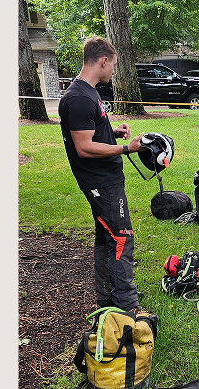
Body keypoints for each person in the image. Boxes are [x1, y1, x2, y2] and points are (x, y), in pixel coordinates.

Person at [58, 36, 146, 310]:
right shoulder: (79, 98)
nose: (113, 72)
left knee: (106, 236)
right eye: (113, 66)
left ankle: (107, 298)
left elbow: (92, 134)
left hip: (106, 179)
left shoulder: (89, 92)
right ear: (103, 61)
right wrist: (125, 148)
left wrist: (111, 132)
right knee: (121, 237)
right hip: (100, 183)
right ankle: (126, 305)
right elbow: (83, 148)